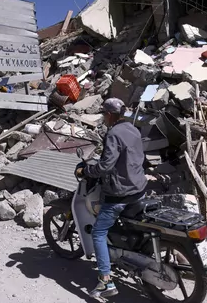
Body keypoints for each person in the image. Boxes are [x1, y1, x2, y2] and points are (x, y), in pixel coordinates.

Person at [75, 98, 148, 298]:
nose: (103, 118)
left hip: (120, 193)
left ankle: (105, 281)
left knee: (98, 233)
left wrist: (88, 170)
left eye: (104, 114)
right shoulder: (133, 129)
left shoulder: (113, 133)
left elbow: (105, 166)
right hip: (139, 188)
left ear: (109, 115)